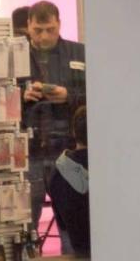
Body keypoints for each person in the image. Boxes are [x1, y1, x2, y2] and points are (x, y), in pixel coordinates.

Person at [20, 0, 86, 255]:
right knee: (24, 227)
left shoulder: (79, 53)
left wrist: (69, 95)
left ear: (59, 24)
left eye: (50, 29)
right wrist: (20, 97)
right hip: (28, 153)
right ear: (28, 25)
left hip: (69, 153)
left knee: (72, 224)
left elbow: (99, 94)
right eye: (38, 30)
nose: (44, 36)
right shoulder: (15, 55)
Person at [48, 105, 90, 257]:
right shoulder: (111, 169)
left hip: (78, 249)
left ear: (73, 132)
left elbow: (62, 223)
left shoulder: (58, 171)